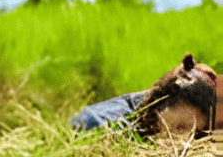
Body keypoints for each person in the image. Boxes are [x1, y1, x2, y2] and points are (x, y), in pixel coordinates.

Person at [71, 53, 218, 137]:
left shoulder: (173, 116)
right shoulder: (101, 125)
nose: (184, 142)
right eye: (180, 127)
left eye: (193, 134)